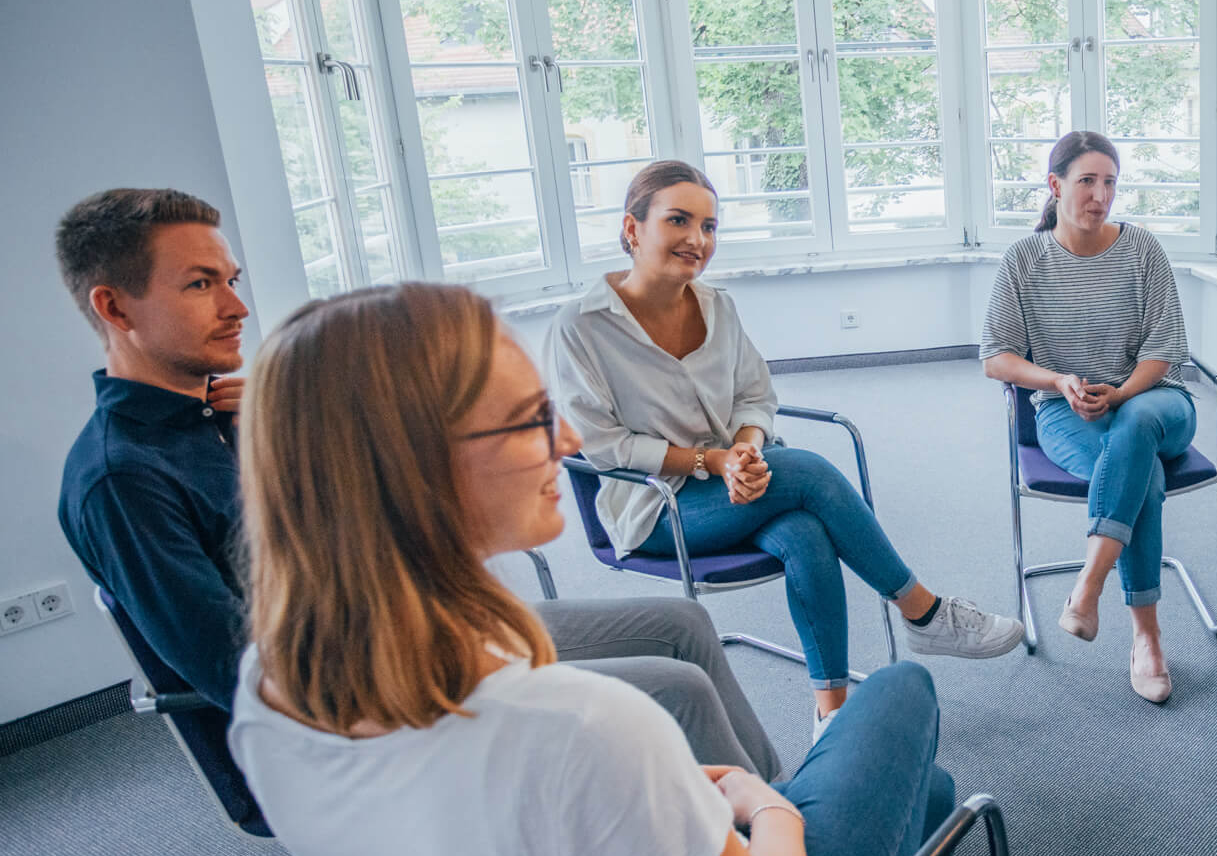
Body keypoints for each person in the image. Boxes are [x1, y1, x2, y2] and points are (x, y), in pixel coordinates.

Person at [225, 283, 1006, 856]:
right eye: (531, 420)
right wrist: (766, 805)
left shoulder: (267, 695)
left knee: (924, 797)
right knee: (900, 693)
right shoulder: (582, 732)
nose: (566, 442)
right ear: (416, 470)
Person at [53, 188, 782, 776]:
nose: (237, 307)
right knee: (676, 689)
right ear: (115, 308)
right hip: (379, 691)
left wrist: (291, 426)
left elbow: (358, 529)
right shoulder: (124, 478)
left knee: (682, 625)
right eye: (200, 284)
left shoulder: (230, 415)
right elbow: (240, 670)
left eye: (231, 281)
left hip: (423, 624)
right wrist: (456, 671)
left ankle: (782, 815)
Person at [548, 162, 1023, 737]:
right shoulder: (582, 326)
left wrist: (745, 452)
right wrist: (713, 461)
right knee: (807, 472)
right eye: (678, 220)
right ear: (632, 228)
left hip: (740, 480)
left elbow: (755, 397)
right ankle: (922, 611)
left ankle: (831, 711)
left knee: (804, 531)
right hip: (656, 505)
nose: (697, 239)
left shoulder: (717, 306)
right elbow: (602, 445)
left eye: (709, 226)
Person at [981, 131, 1194, 704]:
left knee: (1137, 427)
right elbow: (995, 357)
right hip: (1065, 414)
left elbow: (1165, 349)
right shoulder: (1024, 260)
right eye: (1087, 181)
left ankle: (1089, 585)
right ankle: (1147, 638)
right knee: (1141, 475)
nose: (1101, 195)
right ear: (1055, 185)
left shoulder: (1142, 248)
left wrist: (1121, 394)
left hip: (1156, 401)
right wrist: (1058, 381)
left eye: (1110, 183)